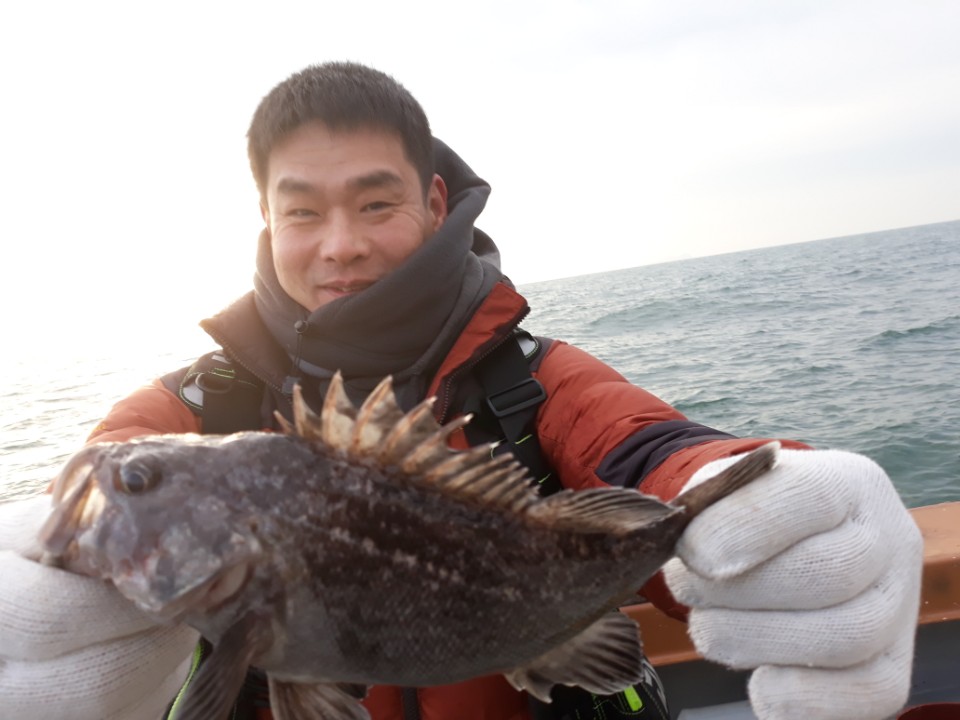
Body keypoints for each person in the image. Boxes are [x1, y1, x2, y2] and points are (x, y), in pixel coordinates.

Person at [0, 62, 923, 720]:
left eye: (375, 203)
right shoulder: (194, 413)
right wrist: (44, 590)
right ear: (268, 222)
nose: (341, 245)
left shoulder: (534, 381)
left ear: (435, 204)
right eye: (303, 211)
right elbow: (91, 483)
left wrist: (767, 499)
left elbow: (650, 451)